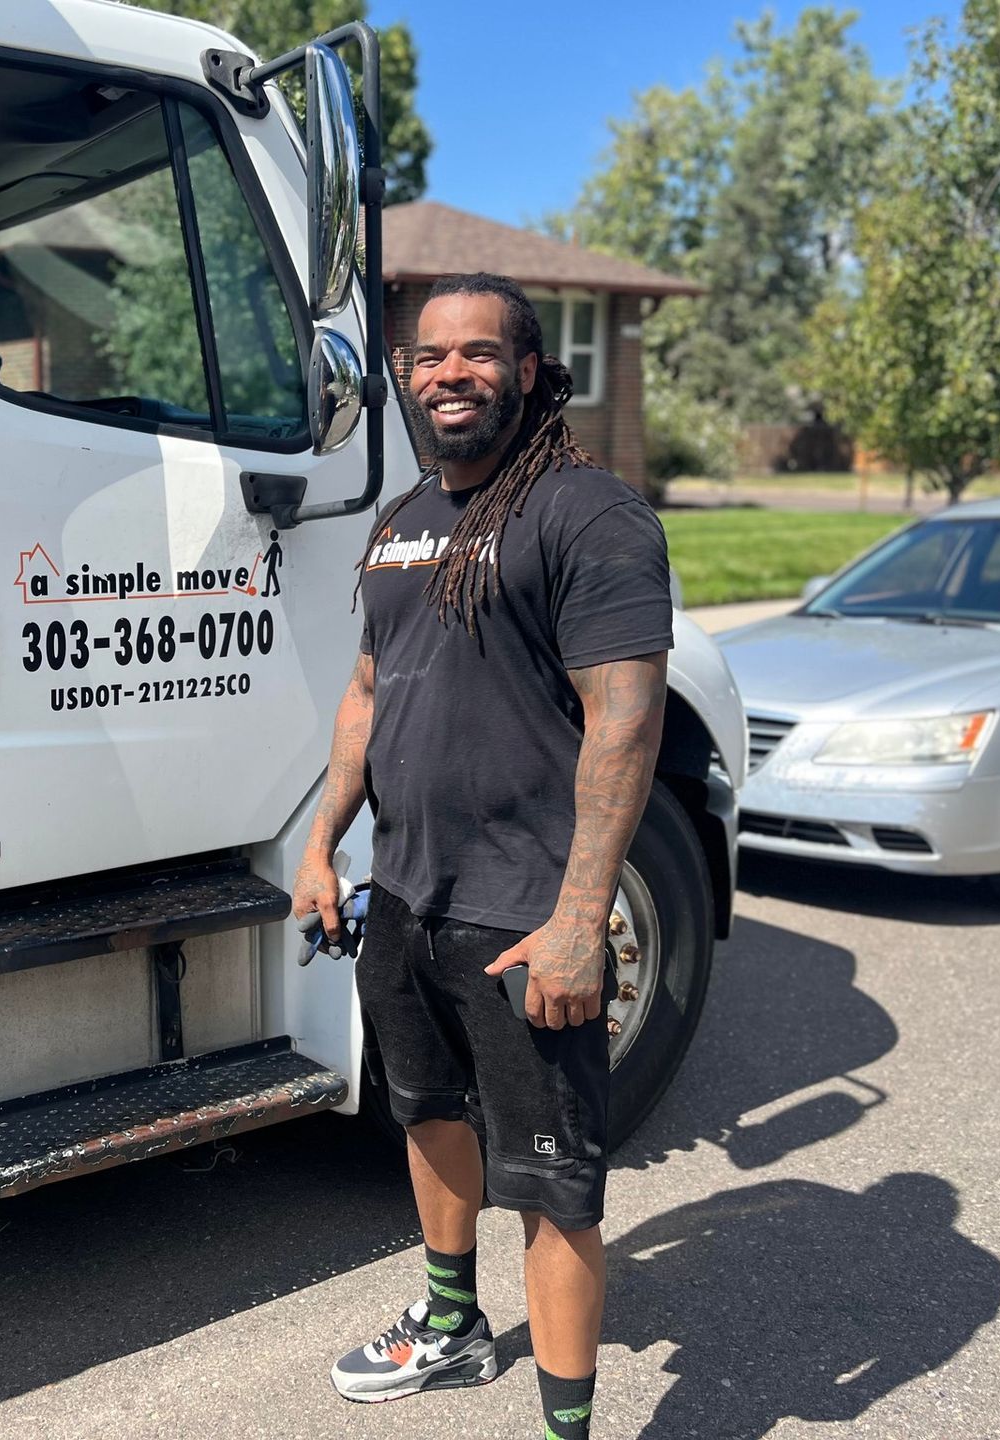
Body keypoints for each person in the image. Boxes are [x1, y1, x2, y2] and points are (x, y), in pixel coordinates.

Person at [292, 273, 673, 1436]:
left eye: (478, 354)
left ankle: (570, 1430)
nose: (449, 372)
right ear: (403, 377)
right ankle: (452, 1328)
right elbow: (368, 692)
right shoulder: (404, 520)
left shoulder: (585, 512)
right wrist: (322, 846)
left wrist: (579, 920)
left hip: (525, 914)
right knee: (428, 1112)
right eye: (428, 356)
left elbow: (626, 718)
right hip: (406, 896)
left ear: (529, 370)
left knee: (554, 1190)